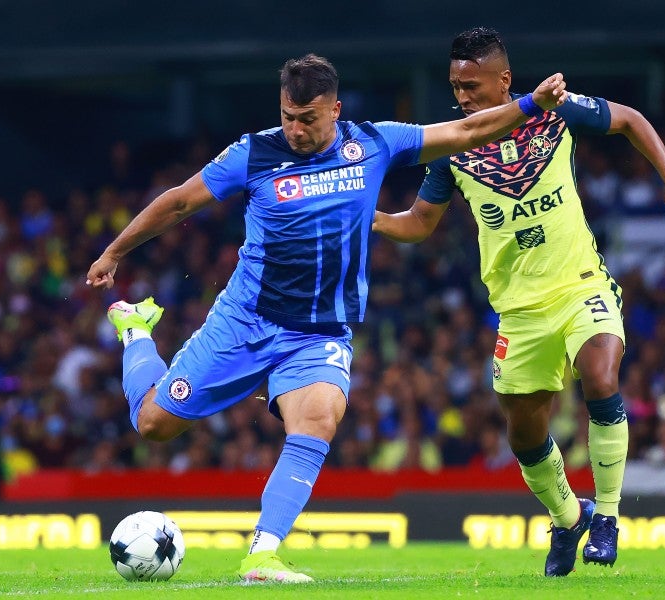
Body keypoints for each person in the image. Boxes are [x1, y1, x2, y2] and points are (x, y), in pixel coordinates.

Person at [86, 53, 568, 583]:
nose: (295, 129)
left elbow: (465, 129)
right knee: (153, 425)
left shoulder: (376, 142)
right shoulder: (253, 153)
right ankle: (136, 332)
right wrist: (114, 252)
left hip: (317, 334)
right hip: (245, 321)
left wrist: (528, 105)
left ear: (335, 110)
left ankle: (262, 556)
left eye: (308, 119)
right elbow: (180, 202)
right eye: (289, 117)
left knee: (317, 419)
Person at [373, 28, 665, 577]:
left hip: (580, 285)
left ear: (505, 79)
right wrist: (370, 220)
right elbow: (420, 224)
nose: (463, 97)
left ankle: (609, 520)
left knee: (600, 376)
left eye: (472, 85)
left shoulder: (556, 112)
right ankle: (569, 516)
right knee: (524, 432)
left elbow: (629, 120)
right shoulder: (453, 147)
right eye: (456, 86)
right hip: (519, 311)